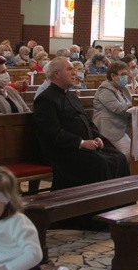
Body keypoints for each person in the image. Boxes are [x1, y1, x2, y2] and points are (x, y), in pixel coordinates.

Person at [32, 57, 129, 190]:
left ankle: (120, 205)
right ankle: (98, 206)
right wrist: (81, 143)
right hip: (63, 150)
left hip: (82, 146)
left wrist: (97, 137)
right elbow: (52, 132)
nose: (74, 73)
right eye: (69, 69)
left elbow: (87, 122)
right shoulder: (45, 99)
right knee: (100, 163)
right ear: (57, 74)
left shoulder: (71, 96)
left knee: (120, 157)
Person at [93, 61, 133, 157]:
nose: (125, 77)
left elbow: (129, 104)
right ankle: (125, 172)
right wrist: (135, 105)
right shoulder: (104, 90)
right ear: (113, 76)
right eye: (123, 74)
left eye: (126, 74)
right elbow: (118, 108)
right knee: (128, 152)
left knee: (137, 149)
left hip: (122, 126)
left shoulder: (123, 89)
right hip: (110, 128)